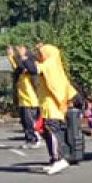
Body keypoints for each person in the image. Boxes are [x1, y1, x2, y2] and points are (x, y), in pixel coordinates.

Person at [34, 43, 78, 174]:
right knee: (47, 132)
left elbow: (34, 68)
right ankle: (54, 159)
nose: (40, 56)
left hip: (53, 106)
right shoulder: (50, 64)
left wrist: (25, 58)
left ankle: (59, 159)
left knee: (53, 131)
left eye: (42, 53)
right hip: (48, 105)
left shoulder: (51, 65)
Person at [7, 45, 41, 148]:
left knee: (30, 120)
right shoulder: (21, 66)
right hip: (23, 99)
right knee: (25, 121)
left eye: (21, 49)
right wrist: (10, 56)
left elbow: (29, 68)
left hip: (31, 100)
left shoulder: (31, 63)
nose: (19, 51)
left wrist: (21, 57)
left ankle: (35, 138)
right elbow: (17, 68)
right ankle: (29, 139)